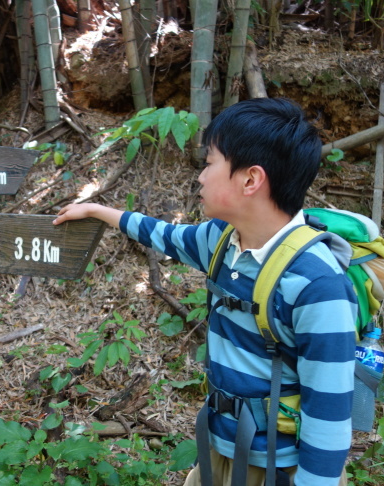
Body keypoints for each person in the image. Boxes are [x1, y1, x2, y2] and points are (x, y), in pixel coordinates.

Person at [53, 98, 356, 486]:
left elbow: (329, 415)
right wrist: (98, 211)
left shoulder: (317, 283)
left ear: (251, 180)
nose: (200, 177)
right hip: (220, 449)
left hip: (281, 467)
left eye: (210, 163)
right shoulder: (221, 240)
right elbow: (161, 234)